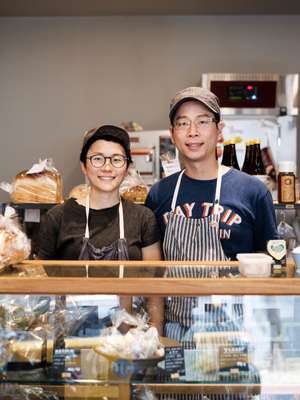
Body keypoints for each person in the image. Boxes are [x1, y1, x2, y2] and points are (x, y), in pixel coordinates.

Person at [145, 86, 278, 344]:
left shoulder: (252, 191)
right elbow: (153, 274)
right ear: (172, 134)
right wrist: (156, 332)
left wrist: (271, 339)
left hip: (236, 332)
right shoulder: (160, 194)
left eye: (203, 122)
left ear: (219, 130)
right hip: (176, 332)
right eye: (183, 123)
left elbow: (270, 267)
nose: (192, 132)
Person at [38, 125, 161, 324]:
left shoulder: (143, 218)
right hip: (71, 337)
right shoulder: (57, 217)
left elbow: (154, 290)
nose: (107, 167)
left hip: (129, 339)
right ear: (84, 166)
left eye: (117, 160)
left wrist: (156, 333)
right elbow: (40, 287)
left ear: (127, 167)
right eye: (97, 159)